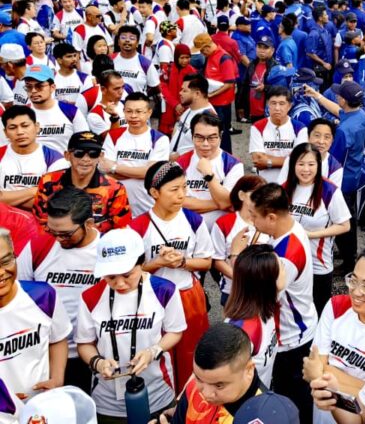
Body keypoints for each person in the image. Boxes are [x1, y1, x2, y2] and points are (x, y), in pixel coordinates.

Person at [76, 228, 185, 422]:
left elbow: (175, 331)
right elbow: (84, 343)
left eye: (127, 275)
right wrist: (98, 363)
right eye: (110, 277)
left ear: (141, 263)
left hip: (157, 394)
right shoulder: (90, 297)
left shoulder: (165, 290)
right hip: (106, 401)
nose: (119, 284)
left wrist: (153, 351)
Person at [130, 160, 213, 392]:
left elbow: (206, 261)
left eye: (184, 188)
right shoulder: (138, 227)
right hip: (153, 301)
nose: (181, 195)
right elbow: (129, 273)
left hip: (188, 296)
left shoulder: (193, 220)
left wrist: (183, 261)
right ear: (154, 192)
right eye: (174, 189)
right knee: (157, 356)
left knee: (191, 355)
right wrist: (157, 263)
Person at [249, 183, 317, 422]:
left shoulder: (284, 256)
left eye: (254, 216)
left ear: (271, 217)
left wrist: (239, 255)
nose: (251, 221)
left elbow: (260, 297)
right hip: (300, 326)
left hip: (291, 338)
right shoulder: (291, 229)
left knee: (293, 403)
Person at [302, 246, 365, 405]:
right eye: (354, 281)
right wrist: (361, 387)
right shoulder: (337, 306)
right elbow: (315, 362)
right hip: (323, 407)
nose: (356, 292)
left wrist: (320, 374)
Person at [153, 323, 299, 424]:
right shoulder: (195, 388)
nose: (206, 393)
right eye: (198, 377)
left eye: (219, 385)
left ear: (248, 370)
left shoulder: (259, 416)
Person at [0, 228, 71, 399]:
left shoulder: (43, 296)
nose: (1, 272)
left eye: (6, 261)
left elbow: (58, 339)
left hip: (39, 410)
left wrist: (57, 378)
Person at [305, 81, 365, 273]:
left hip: (342, 180)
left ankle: (349, 261)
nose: (337, 97)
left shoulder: (342, 130)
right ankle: (348, 252)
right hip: (355, 174)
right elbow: (338, 111)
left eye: (339, 96)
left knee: (341, 219)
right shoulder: (360, 114)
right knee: (350, 217)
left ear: (343, 100)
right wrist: (317, 96)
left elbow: (334, 158)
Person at [284, 143, 350, 314]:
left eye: (311, 164)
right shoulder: (284, 188)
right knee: (291, 310)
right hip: (288, 261)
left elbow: (344, 225)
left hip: (318, 263)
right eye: (301, 164)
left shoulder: (329, 191)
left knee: (318, 311)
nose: (306, 169)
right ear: (293, 165)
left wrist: (312, 235)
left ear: (319, 166)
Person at [33, 131, 131, 234]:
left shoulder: (115, 188)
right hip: (57, 243)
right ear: (67, 155)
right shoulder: (48, 181)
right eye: (79, 153)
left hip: (97, 246)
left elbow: (121, 230)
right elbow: (41, 222)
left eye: (93, 154)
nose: (86, 159)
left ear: (100, 156)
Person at [223, 244, 283, 389]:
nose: (286, 268)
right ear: (268, 281)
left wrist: (235, 254)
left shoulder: (267, 303)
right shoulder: (242, 332)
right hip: (246, 408)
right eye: (282, 265)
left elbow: (246, 273)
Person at [100, 92, 170, 216]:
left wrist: (115, 167)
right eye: (129, 111)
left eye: (139, 112)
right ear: (124, 112)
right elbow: (104, 169)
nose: (133, 116)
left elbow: (151, 173)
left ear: (149, 113)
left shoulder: (159, 139)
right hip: (115, 204)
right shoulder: (113, 135)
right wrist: (139, 172)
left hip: (147, 205)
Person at [177, 112, 243, 229]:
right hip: (187, 229)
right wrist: (219, 203)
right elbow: (177, 201)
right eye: (199, 138)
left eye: (212, 138)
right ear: (192, 136)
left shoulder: (233, 165)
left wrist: (209, 175)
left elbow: (225, 202)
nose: (205, 144)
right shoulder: (180, 163)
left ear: (221, 136)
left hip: (220, 232)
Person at [211, 174, 268, 304]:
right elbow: (217, 260)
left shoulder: (269, 221)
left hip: (263, 291)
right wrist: (241, 280)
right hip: (232, 291)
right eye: (255, 193)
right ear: (241, 195)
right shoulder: (224, 223)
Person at [0, 105, 68, 208]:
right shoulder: (1, 154)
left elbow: (53, 203)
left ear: (37, 127)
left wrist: (6, 198)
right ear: (5, 133)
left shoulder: (55, 159)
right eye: (13, 128)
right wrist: (34, 191)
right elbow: (42, 199)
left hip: (39, 221)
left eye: (25, 126)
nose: (20, 132)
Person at [25, 64, 89, 154]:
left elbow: (85, 143)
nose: (33, 91)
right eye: (29, 87)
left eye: (39, 86)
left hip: (65, 165)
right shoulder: (20, 114)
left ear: (52, 87)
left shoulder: (71, 111)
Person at [249, 86, 308, 182]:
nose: (277, 108)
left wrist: (268, 162)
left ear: (289, 106)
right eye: (273, 103)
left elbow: (299, 160)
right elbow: (258, 159)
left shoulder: (300, 128)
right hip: (265, 183)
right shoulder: (257, 127)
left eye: (282, 104)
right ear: (268, 105)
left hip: (290, 183)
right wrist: (289, 159)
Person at [194, 33, 237, 152]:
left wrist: (211, 94)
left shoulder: (224, 58)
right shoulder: (210, 56)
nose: (202, 54)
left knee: (222, 133)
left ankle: (226, 157)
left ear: (207, 47)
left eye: (202, 51)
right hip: (212, 101)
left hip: (222, 103)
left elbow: (229, 83)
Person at [277, 118, 344, 188]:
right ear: (308, 137)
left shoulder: (335, 169)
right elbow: (280, 189)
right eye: (317, 135)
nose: (321, 141)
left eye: (326, 137)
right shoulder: (293, 158)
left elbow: (332, 196)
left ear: (332, 141)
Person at [168, 74, 216, 161]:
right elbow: (177, 129)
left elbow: (201, 151)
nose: (180, 93)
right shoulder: (191, 109)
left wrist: (170, 159)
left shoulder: (207, 120)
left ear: (197, 94)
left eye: (184, 91)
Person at [111, 25, 161, 95]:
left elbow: (156, 88)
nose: (127, 40)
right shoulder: (110, 59)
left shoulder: (145, 63)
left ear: (137, 43)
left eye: (132, 38)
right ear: (118, 42)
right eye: (123, 37)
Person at [159, 44, 196, 135]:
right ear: (176, 57)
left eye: (187, 57)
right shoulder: (168, 69)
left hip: (184, 108)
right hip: (168, 107)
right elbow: (163, 88)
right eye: (182, 58)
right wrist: (175, 104)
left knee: (181, 135)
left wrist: (183, 106)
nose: (185, 61)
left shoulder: (192, 71)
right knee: (165, 136)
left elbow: (193, 92)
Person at [87, 70, 126, 137]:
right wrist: (114, 118)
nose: (121, 91)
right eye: (116, 89)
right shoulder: (95, 115)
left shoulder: (127, 104)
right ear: (103, 89)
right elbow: (110, 139)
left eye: (123, 87)